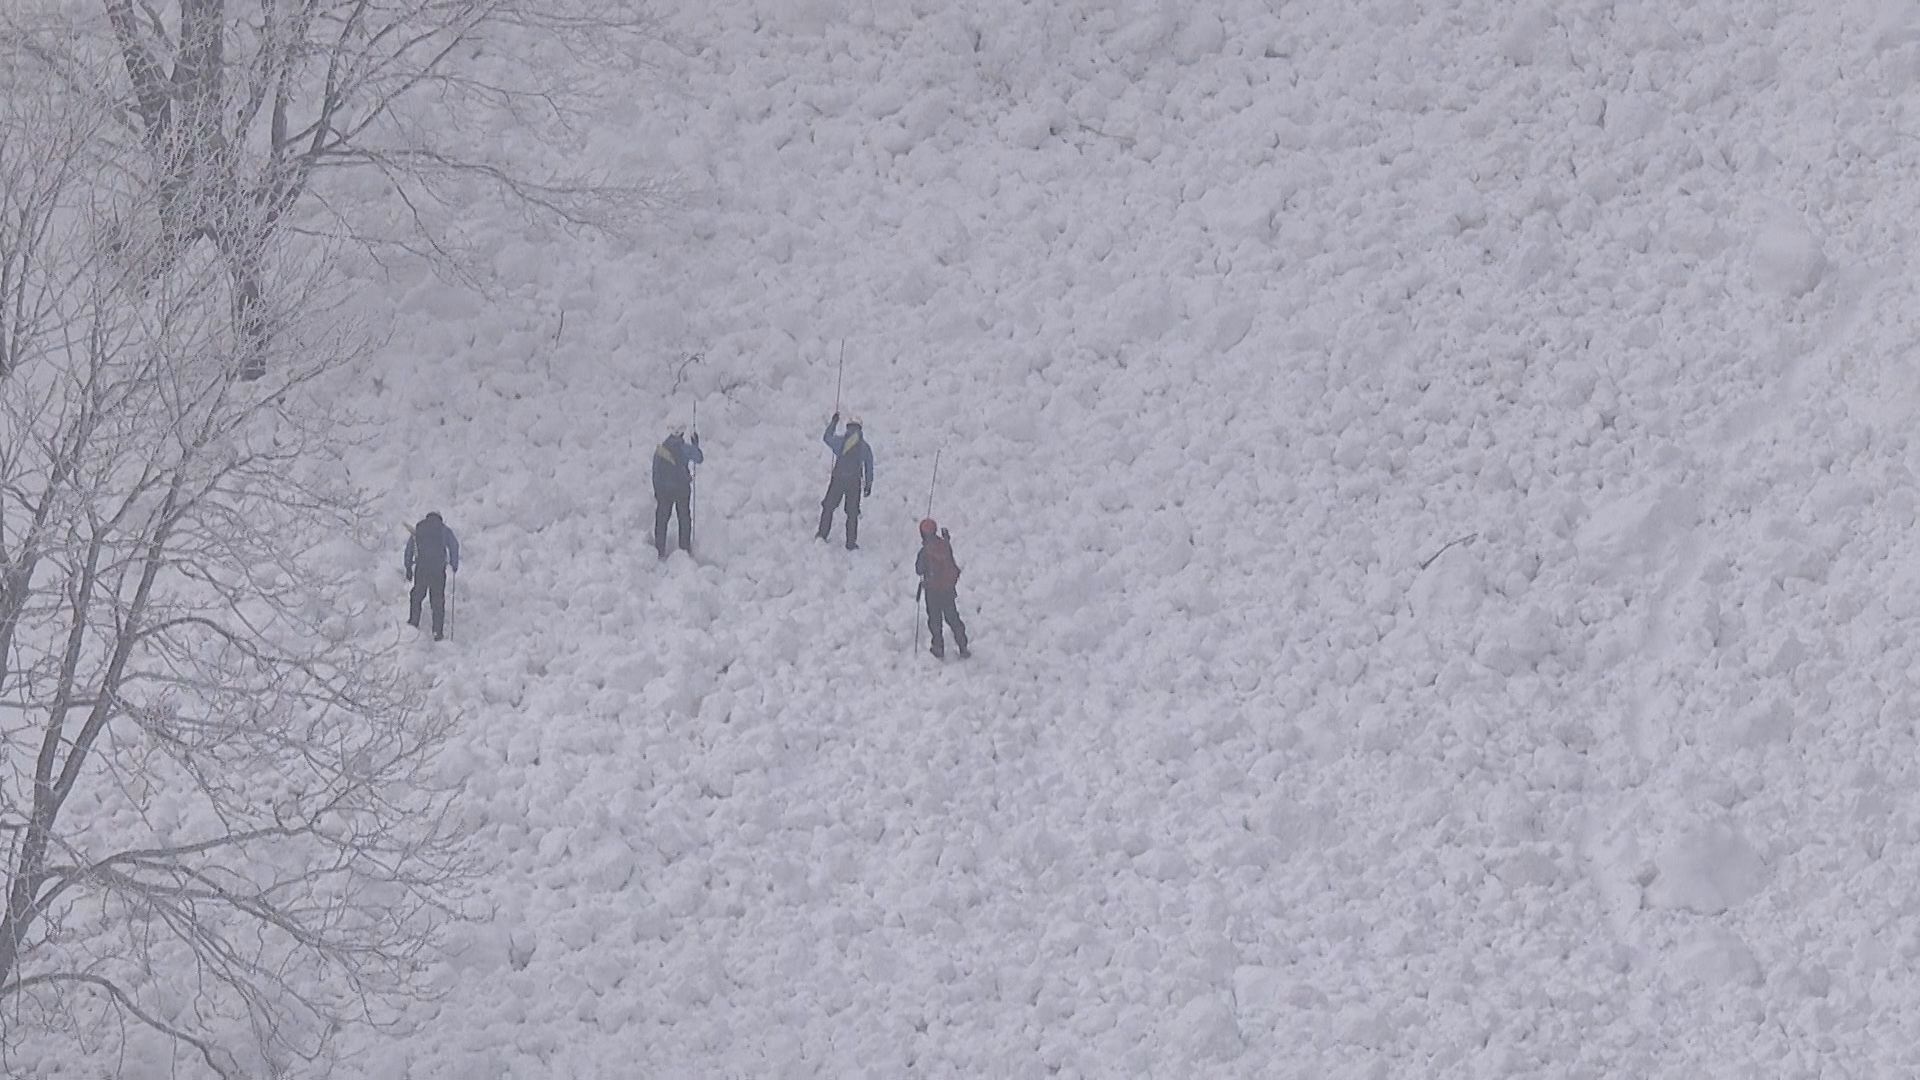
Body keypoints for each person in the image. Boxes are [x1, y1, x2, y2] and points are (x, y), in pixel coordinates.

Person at [816, 413, 874, 549]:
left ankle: (822, 534)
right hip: (854, 482)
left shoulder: (841, 442)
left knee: (829, 506)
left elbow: (827, 438)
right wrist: (868, 484)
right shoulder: (864, 447)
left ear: (848, 427)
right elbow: (869, 466)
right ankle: (850, 543)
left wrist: (833, 422)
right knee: (852, 513)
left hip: (838, 479)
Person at [915, 518, 971, 659]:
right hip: (947, 589)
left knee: (935, 620)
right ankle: (962, 645)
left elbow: (919, 570)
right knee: (953, 617)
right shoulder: (945, 545)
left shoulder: (925, 552)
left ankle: (938, 647)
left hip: (932, 591)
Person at [404, 511, 461, 641]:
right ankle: (437, 632)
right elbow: (454, 545)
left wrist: (408, 567)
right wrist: (454, 564)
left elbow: (409, 548)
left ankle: (413, 623)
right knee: (437, 600)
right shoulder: (443, 530)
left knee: (417, 596)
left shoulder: (419, 529)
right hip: (438, 570)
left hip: (422, 568)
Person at [652, 428, 704, 559]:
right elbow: (699, 458)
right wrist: (695, 444)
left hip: (664, 491)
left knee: (662, 520)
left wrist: (657, 490)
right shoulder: (684, 449)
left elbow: (655, 471)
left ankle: (659, 550)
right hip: (681, 489)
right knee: (684, 518)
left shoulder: (660, 450)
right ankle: (684, 549)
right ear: (681, 434)